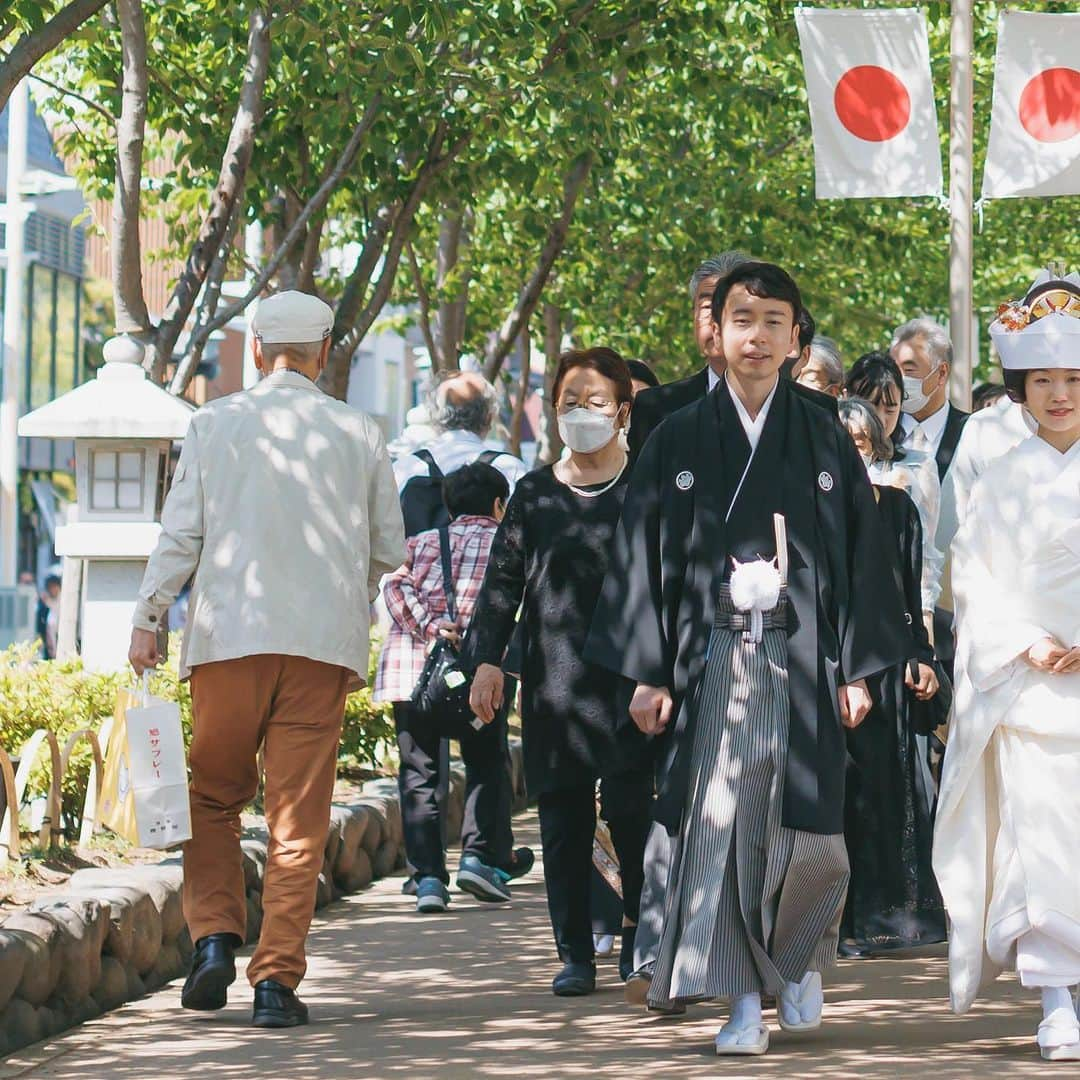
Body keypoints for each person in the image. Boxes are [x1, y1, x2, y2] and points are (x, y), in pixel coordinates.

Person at [587, 262, 908, 1056]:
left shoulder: (826, 432)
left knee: (811, 833)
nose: (756, 336)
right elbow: (638, 555)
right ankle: (739, 1000)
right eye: (742, 318)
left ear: (796, 336)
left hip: (803, 659)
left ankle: (797, 960)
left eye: (773, 320)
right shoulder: (679, 437)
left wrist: (859, 668)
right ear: (715, 330)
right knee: (722, 830)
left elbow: (864, 558)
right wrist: (646, 671)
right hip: (713, 661)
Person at [128, 291, 405, 1029]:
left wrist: (148, 618)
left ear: (255, 350)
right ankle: (276, 983)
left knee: (214, 797)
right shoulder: (360, 431)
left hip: (227, 641)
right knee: (298, 818)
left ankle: (214, 936)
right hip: (319, 649)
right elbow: (388, 549)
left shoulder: (214, 423)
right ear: (324, 351)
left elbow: (179, 536)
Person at [465, 347, 652, 998]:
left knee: (633, 816)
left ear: (624, 411)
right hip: (556, 684)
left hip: (635, 684)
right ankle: (574, 952)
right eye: (569, 400)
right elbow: (502, 582)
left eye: (596, 401)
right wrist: (488, 660)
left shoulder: (647, 488)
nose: (582, 413)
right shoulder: (536, 493)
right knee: (563, 828)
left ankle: (638, 936)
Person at [934, 269, 1080, 1062]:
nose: (1060, 393)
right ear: (1022, 385)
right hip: (1028, 684)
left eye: (1074, 378)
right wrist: (1024, 640)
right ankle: (1056, 1000)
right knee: (1038, 842)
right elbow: (973, 574)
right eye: (1044, 379)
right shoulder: (1002, 472)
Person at [373, 462, 531, 913]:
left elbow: (395, 587)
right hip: (482, 675)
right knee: (486, 764)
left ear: (449, 506)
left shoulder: (419, 544)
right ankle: (478, 859)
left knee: (419, 773)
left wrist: (432, 628)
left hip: (414, 674)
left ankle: (427, 880)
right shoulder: (509, 545)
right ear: (500, 505)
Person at [837, 398, 946, 957]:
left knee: (888, 796)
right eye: (844, 442)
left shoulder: (900, 508)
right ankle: (837, 922)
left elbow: (913, 595)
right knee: (841, 798)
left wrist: (923, 657)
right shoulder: (816, 510)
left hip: (890, 672)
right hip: (833, 672)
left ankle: (888, 916)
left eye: (861, 442)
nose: (854, 451)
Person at [845, 352, 943, 633]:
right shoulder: (829, 464)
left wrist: (925, 626)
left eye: (891, 407)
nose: (881, 417)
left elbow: (925, 555)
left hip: (896, 611)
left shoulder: (918, 465)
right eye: (871, 404)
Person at [890, 318, 970, 482]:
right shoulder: (880, 431)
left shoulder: (970, 432)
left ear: (941, 373)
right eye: (893, 369)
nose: (898, 379)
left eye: (909, 370)